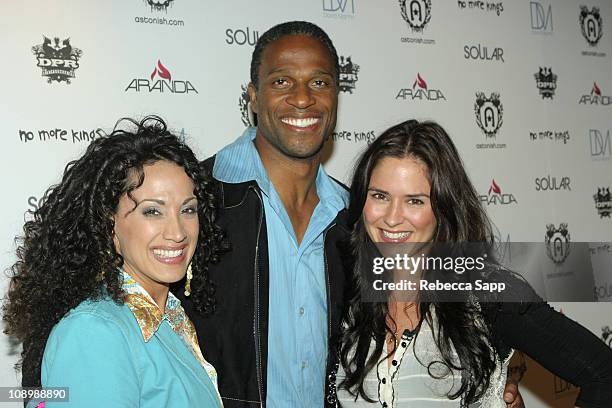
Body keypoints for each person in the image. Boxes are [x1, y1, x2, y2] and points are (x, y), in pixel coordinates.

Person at [179, 20, 523, 408]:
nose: (303, 98)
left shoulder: (358, 220)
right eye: (281, 82)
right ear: (253, 98)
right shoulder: (197, 201)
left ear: (337, 98)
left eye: (320, 82)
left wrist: (491, 389)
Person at [336, 119, 612, 407]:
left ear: (444, 208)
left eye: (414, 201)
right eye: (380, 196)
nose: (392, 218)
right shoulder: (341, 290)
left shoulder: (488, 295)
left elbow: (604, 374)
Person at [3, 116, 226, 407]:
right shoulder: (95, 331)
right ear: (108, 225)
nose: (178, 233)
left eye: (188, 209)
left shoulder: (169, 318)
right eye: (152, 212)